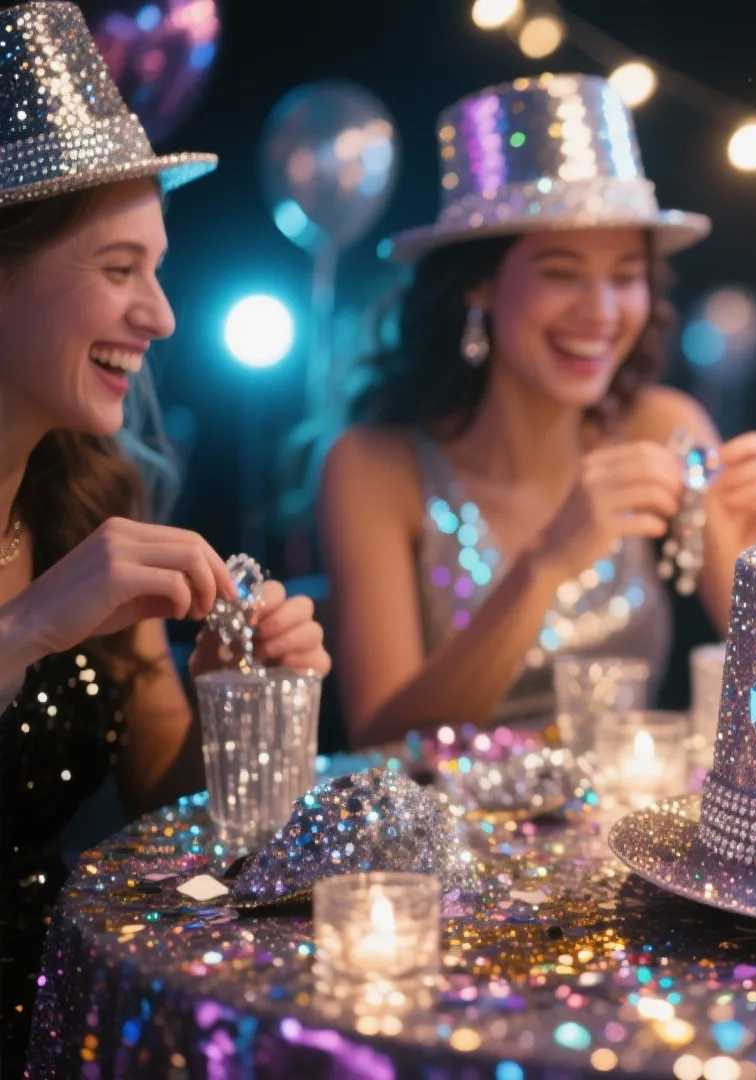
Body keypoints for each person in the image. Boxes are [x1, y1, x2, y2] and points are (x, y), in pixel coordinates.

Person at [0, 2, 330, 1055]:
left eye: (159, 267)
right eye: (116, 269)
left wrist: (241, 701)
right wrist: (27, 629)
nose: (162, 314)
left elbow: (167, 809)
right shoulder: (67, 582)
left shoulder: (91, 502)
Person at [321, 75, 756, 747]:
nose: (602, 312)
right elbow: (378, 736)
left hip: (627, 836)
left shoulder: (664, 426)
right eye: (561, 272)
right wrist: (545, 564)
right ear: (479, 284)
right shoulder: (374, 465)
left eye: (625, 276)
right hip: (441, 845)